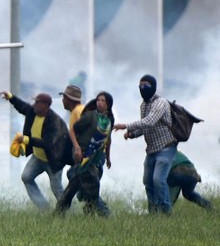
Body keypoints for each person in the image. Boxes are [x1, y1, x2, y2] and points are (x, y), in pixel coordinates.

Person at [114, 74, 177, 215]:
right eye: (141, 86)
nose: (143, 89)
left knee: (158, 180)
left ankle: (166, 212)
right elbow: (145, 127)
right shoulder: (143, 105)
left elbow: (150, 121)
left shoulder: (160, 103)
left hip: (166, 147)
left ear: (153, 87)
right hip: (151, 149)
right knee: (148, 181)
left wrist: (126, 126)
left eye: (146, 86)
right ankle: (153, 212)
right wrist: (133, 134)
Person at [0, 90, 68, 210]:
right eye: (35, 102)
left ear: (46, 106)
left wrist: (25, 139)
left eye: (37, 102)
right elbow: (22, 106)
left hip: (54, 159)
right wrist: (11, 97)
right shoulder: (33, 111)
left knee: (56, 188)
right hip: (38, 157)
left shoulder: (54, 121)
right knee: (26, 177)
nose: (34, 105)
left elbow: (47, 143)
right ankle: (43, 207)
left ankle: (69, 212)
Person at [56, 92, 114, 217]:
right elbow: (72, 131)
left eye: (102, 100)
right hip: (83, 155)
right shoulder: (90, 116)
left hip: (96, 157)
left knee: (74, 185)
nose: (99, 102)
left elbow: (108, 139)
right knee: (93, 183)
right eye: (98, 100)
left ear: (108, 104)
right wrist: (76, 148)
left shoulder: (109, 120)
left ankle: (59, 211)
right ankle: (102, 213)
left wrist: (108, 158)